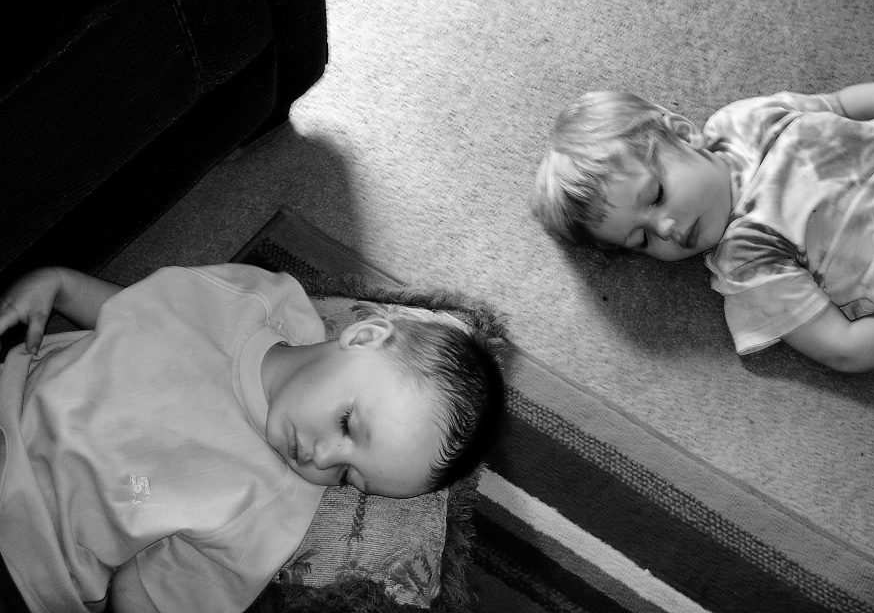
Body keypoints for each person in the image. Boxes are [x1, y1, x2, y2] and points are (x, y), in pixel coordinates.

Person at [0, 263, 504, 613]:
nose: (321, 457)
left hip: (29, 555)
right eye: (348, 424)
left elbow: (151, 595)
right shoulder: (257, 303)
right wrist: (61, 285)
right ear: (363, 337)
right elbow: (147, 313)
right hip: (13, 395)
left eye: (349, 477)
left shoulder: (272, 510)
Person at [533, 82, 874, 373]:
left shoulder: (747, 119)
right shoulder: (745, 261)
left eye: (655, 195)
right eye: (640, 240)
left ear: (685, 133)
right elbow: (845, 349)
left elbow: (839, 103)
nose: (666, 227)